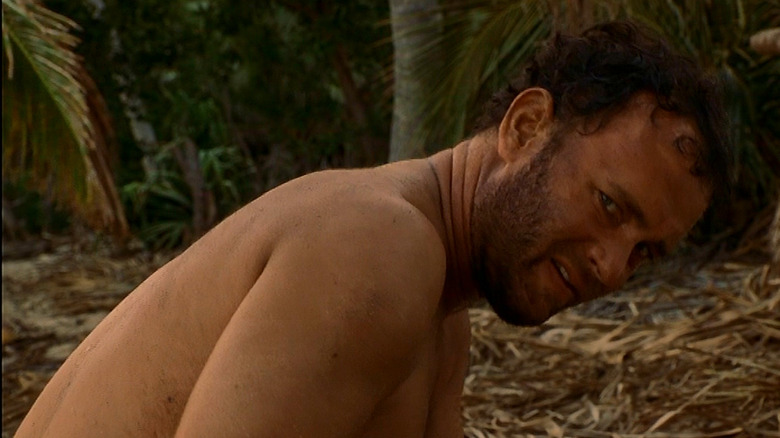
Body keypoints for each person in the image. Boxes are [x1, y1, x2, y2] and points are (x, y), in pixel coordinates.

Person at [16, 20, 732, 437]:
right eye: (610, 206)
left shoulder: (440, 318)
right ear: (526, 125)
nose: (611, 268)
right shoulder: (379, 250)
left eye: (645, 253)